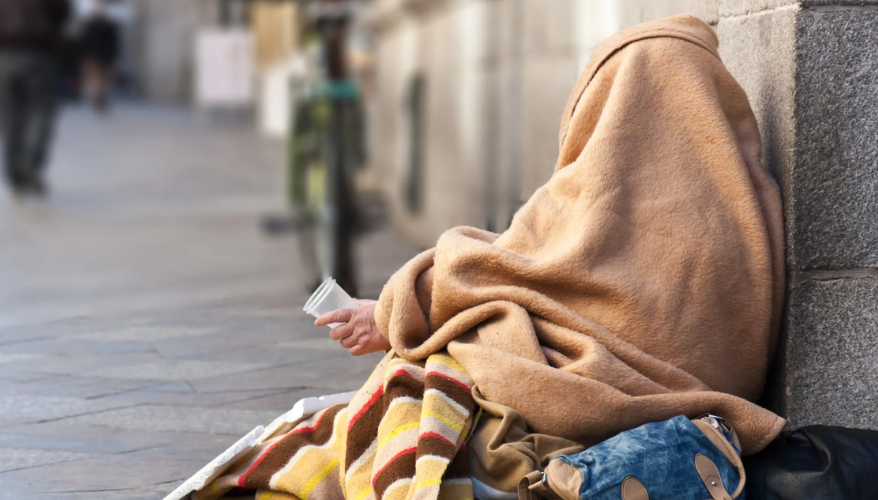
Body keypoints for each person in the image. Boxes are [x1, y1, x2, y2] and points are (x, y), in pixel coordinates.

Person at [192, 15, 788, 499]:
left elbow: (495, 268)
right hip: (688, 409)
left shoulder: (594, 189)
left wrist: (394, 311)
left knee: (413, 385)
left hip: (583, 398)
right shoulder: (747, 212)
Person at [0, 0, 71, 198]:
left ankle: (13, 174)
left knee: (10, 116)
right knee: (41, 110)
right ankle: (30, 161)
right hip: (38, 51)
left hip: (0, 53)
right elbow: (62, 11)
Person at [76, 0, 118, 112]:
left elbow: (113, 42)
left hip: (102, 56)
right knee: (96, 79)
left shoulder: (106, 25)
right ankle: (98, 97)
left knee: (102, 79)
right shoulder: (91, 24)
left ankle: (100, 97)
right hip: (94, 56)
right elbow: (83, 42)